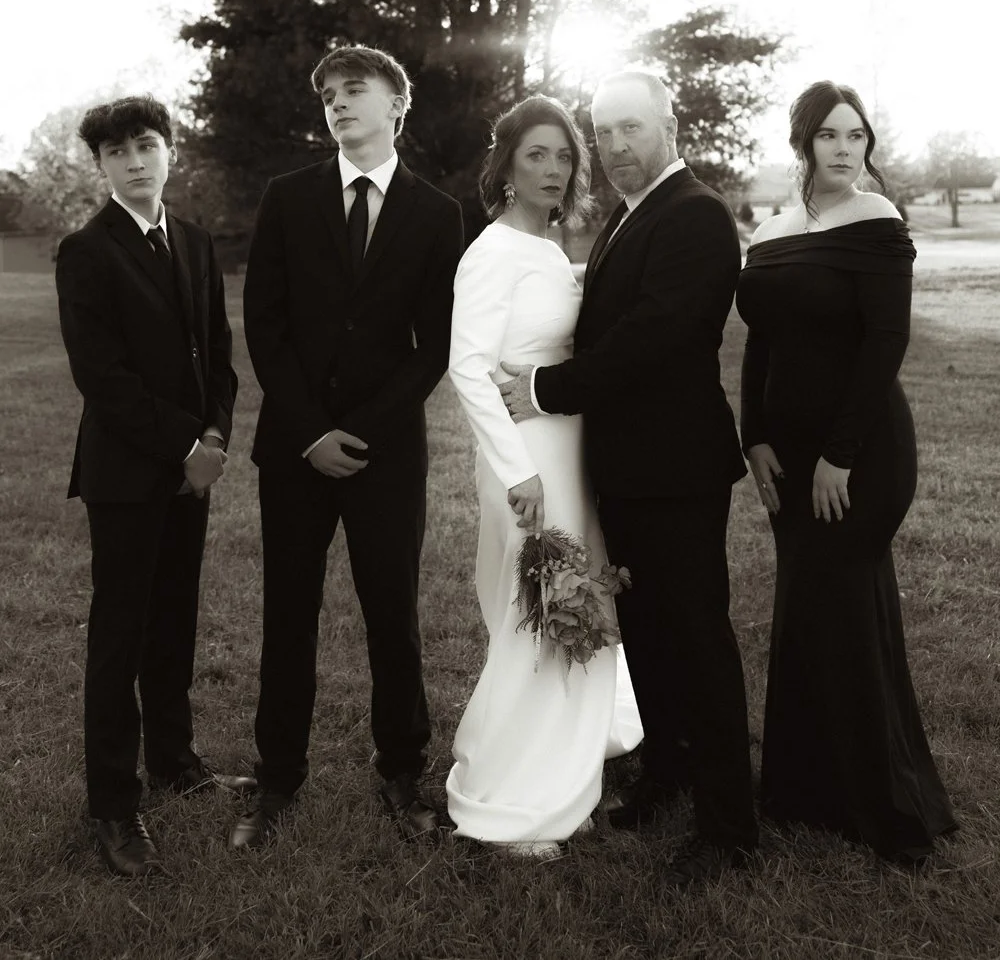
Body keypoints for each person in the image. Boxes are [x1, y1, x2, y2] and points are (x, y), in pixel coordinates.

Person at [500, 70, 757, 885]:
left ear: (669, 125)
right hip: (629, 466)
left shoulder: (698, 216)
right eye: (602, 132)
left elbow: (652, 337)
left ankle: (728, 825)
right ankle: (668, 774)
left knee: (697, 636)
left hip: (677, 466)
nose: (612, 146)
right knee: (647, 629)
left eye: (630, 128)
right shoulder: (626, 215)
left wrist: (544, 390)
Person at [230, 46, 464, 849]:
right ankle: (277, 778)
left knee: (391, 615)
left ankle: (403, 770)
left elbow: (432, 346)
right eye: (328, 94)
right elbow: (265, 325)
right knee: (287, 615)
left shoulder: (437, 213)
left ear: (399, 103)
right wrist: (309, 432)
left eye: (354, 90)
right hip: (294, 448)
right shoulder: (288, 197)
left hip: (386, 452)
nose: (337, 103)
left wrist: (360, 430)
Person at [737, 80, 957, 866]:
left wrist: (840, 455)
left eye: (855, 136)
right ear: (803, 141)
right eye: (828, 135)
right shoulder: (773, 228)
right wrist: (753, 438)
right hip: (786, 459)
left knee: (841, 609)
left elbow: (885, 343)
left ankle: (885, 807)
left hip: (859, 454)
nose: (842, 149)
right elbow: (760, 343)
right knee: (809, 609)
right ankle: (804, 792)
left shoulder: (877, 221)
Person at [446, 96, 642, 859]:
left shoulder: (550, 247)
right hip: (526, 463)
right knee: (541, 614)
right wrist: (516, 469)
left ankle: (566, 764)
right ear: (506, 165)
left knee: (577, 607)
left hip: (569, 450)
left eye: (563, 156)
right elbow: (465, 367)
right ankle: (517, 791)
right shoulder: (491, 250)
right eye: (537, 154)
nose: (553, 169)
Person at [56, 95, 245, 879]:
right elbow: (102, 377)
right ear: (100, 166)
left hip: (191, 469)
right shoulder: (86, 250)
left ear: (171, 151)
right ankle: (113, 804)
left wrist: (214, 437)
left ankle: (174, 761)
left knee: (174, 622)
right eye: (117, 152)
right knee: (121, 634)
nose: (135, 162)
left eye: (147, 146)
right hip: (128, 475)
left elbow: (219, 354)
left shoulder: (195, 243)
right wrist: (181, 444)